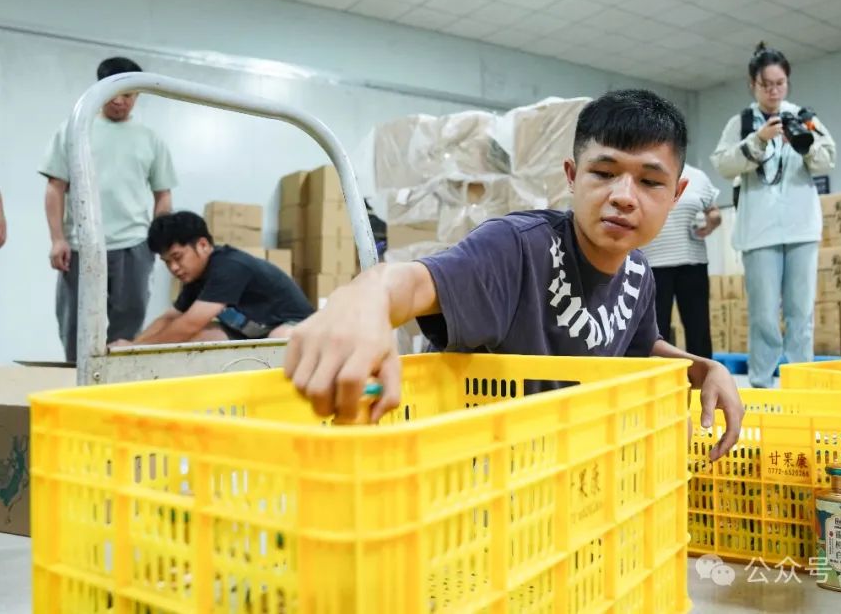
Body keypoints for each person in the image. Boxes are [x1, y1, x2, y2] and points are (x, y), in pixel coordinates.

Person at [284, 89, 744, 461]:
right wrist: (368, 298)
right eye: (604, 173)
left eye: (650, 181)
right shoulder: (518, 247)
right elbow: (416, 284)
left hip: (570, 469)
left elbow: (639, 349)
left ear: (676, 193)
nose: (624, 196)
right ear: (571, 176)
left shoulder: (639, 271)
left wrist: (703, 368)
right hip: (484, 472)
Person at [711, 43, 836, 388]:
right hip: (759, 232)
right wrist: (758, 141)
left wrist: (806, 144)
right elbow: (723, 164)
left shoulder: (803, 117)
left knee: (801, 312)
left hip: (802, 228)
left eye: (780, 83)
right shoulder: (741, 122)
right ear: (752, 84)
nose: (774, 91)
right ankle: (763, 383)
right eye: (766, 84)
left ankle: (801, 382)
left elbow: (829, 159)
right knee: (764, 314)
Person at [40, 56, 177, 361]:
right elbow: (55, 187)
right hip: (81, 246)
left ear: (138, 95)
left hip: (134, 246)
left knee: (126, 331)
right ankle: (77, 381)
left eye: (128, 95)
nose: (119, 101)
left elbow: (163, 195)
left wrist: (158, 241)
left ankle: (117, 385)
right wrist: (57, 239)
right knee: (75, 328)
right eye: (113, 94)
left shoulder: (150, 140)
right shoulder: (74, 130)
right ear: (100, 89)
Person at [110, 211, 313, 346]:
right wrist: (134, 344)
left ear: (203, 245)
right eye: (167, 262)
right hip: (254, 332)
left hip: (296, 325)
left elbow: (190, 323)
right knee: (196, 338)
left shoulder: (229, 266)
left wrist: (136, 348)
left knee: (279, 339)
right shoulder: (195, 278)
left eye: (177, 257)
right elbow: (169, 318)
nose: (173, 268)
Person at [641, 164, 722, 357]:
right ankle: (658, 374)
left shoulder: (698, 176)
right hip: (652, 264)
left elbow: (714, 212)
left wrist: (711, 221)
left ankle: (703, 372)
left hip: (692, 262)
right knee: (655, 330)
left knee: (699, 328)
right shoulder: (643, 170)